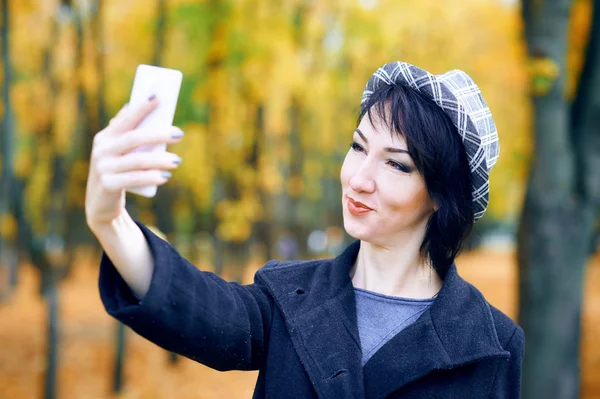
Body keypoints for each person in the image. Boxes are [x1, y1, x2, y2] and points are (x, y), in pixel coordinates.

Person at [86, 61, 524, 398]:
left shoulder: (492, 346)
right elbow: (197, 307)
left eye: (395, 163)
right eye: (358, 147)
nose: (358, 177)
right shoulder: (289, 298)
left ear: (440, 195)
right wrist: (110, 221)